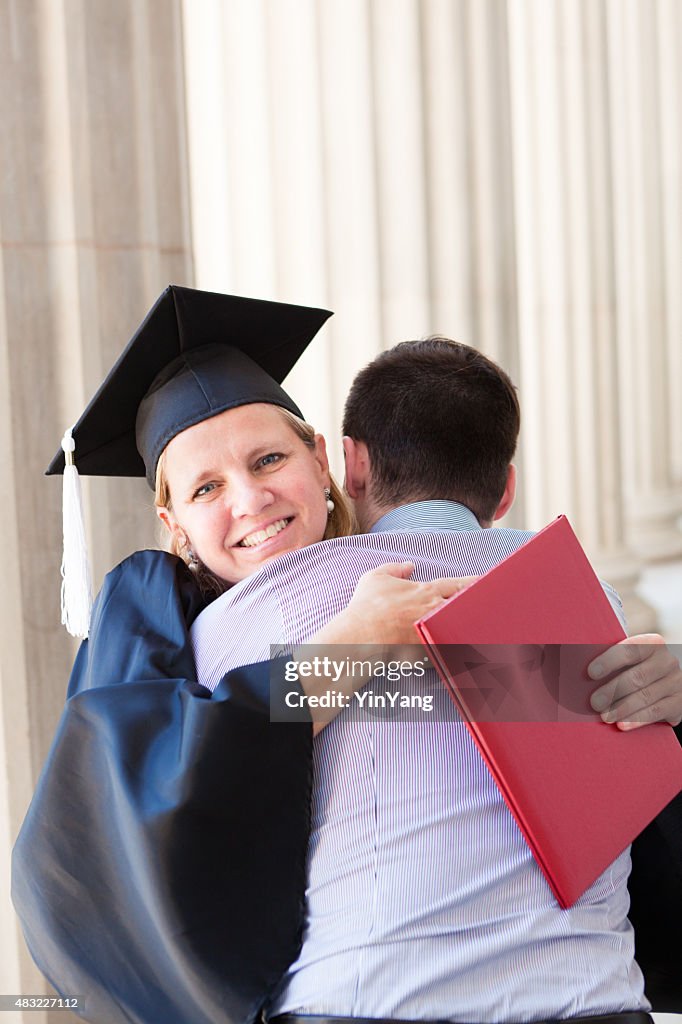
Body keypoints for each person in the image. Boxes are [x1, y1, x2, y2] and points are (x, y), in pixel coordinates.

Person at [11, 293, 681, 1023]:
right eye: (207, 488)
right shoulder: (165, 622)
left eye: (269, 458)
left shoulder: (422, 581)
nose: (252, 499)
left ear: (329, 460)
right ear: (171, 525)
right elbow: (135, 797)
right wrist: (352, 645)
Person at [189, 337, 682, 1022]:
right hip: (590, 999)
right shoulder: (594, 599)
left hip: (365, 1001)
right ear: (506, 488)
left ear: (351, 463)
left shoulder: (247, 615)